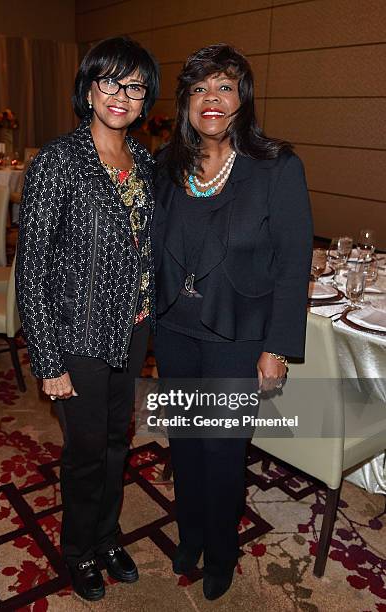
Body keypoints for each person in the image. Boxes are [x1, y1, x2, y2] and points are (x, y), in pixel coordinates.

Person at [152, 44, 313, 601]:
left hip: (237, 336)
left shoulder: (277, 166)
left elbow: (294, 266)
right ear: (185, 104)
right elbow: (148, 245)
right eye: (198, 89)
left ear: (243, 97)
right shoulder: (168, 166)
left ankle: (221, 548)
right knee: (184, 442)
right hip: (173, 329)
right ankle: (190, 533)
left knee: (222, 450)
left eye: (223, 86)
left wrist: (278, 347)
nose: (211, 99)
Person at [16, 36, 159, 602]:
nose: (121, 95)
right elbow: (32, 272)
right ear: (89, 88)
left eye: (135, 86)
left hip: (133, 327)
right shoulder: (58, 160)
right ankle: (77, 550)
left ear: (145, 100)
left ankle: (105, 536)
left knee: (119, 443)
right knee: (84, 451)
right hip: (77, 336)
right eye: (110, 81)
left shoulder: (145, 161)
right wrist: (48, 361)